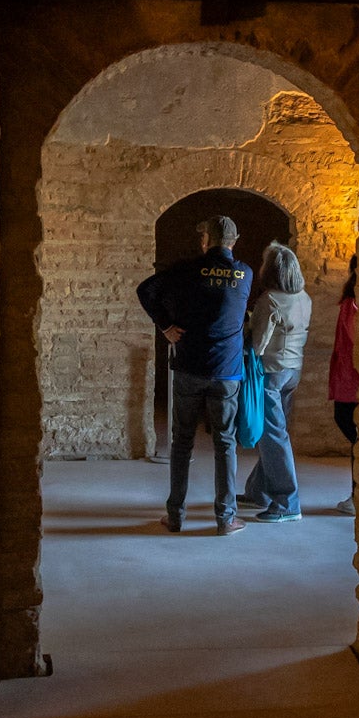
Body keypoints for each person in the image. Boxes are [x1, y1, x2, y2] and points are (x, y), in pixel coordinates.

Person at [136, 216, 253, 536]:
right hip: (227, 371)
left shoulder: (187, 270)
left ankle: (175, 516)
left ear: (206, 241)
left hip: (189, 365)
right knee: (225, 444)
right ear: (235, 240)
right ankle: (225, 518)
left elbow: (146, 289)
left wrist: (165, 325)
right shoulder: (246, 273)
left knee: (182, 442)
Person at [238, 242, 312, 523]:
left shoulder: (269, 300)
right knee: (276, 434)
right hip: (293, 369)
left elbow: (258, 345)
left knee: (272, 436)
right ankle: (259, 490)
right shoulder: (303, 297)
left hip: (270, 371)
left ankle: (287, 501)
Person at [330, 254, 359, 516]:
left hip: (352, 379)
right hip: (349, 377)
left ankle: (358, 494)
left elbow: (356, 338)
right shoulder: (353, 301)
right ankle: (358, 493)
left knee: (357, 435)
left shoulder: (353, 303)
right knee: (356, 434)